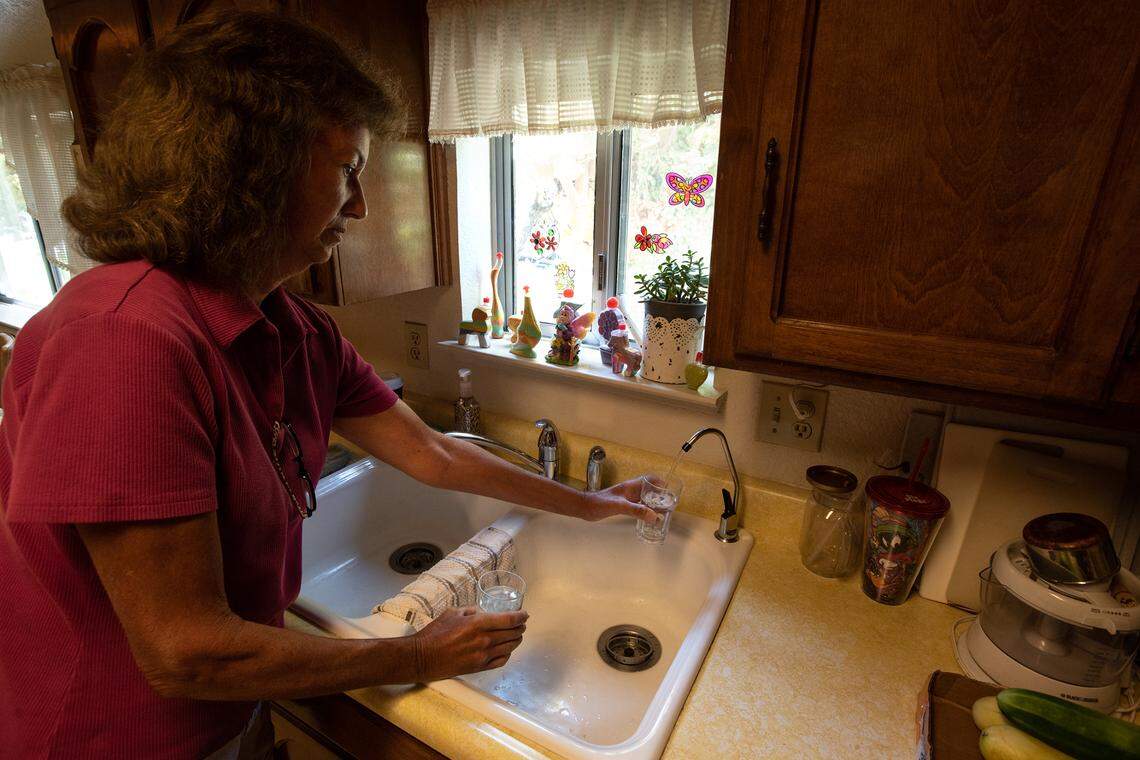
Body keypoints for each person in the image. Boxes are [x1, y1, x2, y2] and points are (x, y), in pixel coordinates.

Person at [0, 12, 657, 759]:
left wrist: (591, 505)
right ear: (252, 166)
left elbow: (435, 454)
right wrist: (415, 654)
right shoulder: (121, 340)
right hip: (113, 739)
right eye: (347, 167)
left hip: (229, 713)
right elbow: (187, 651)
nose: (362, 204)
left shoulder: (294, 329)